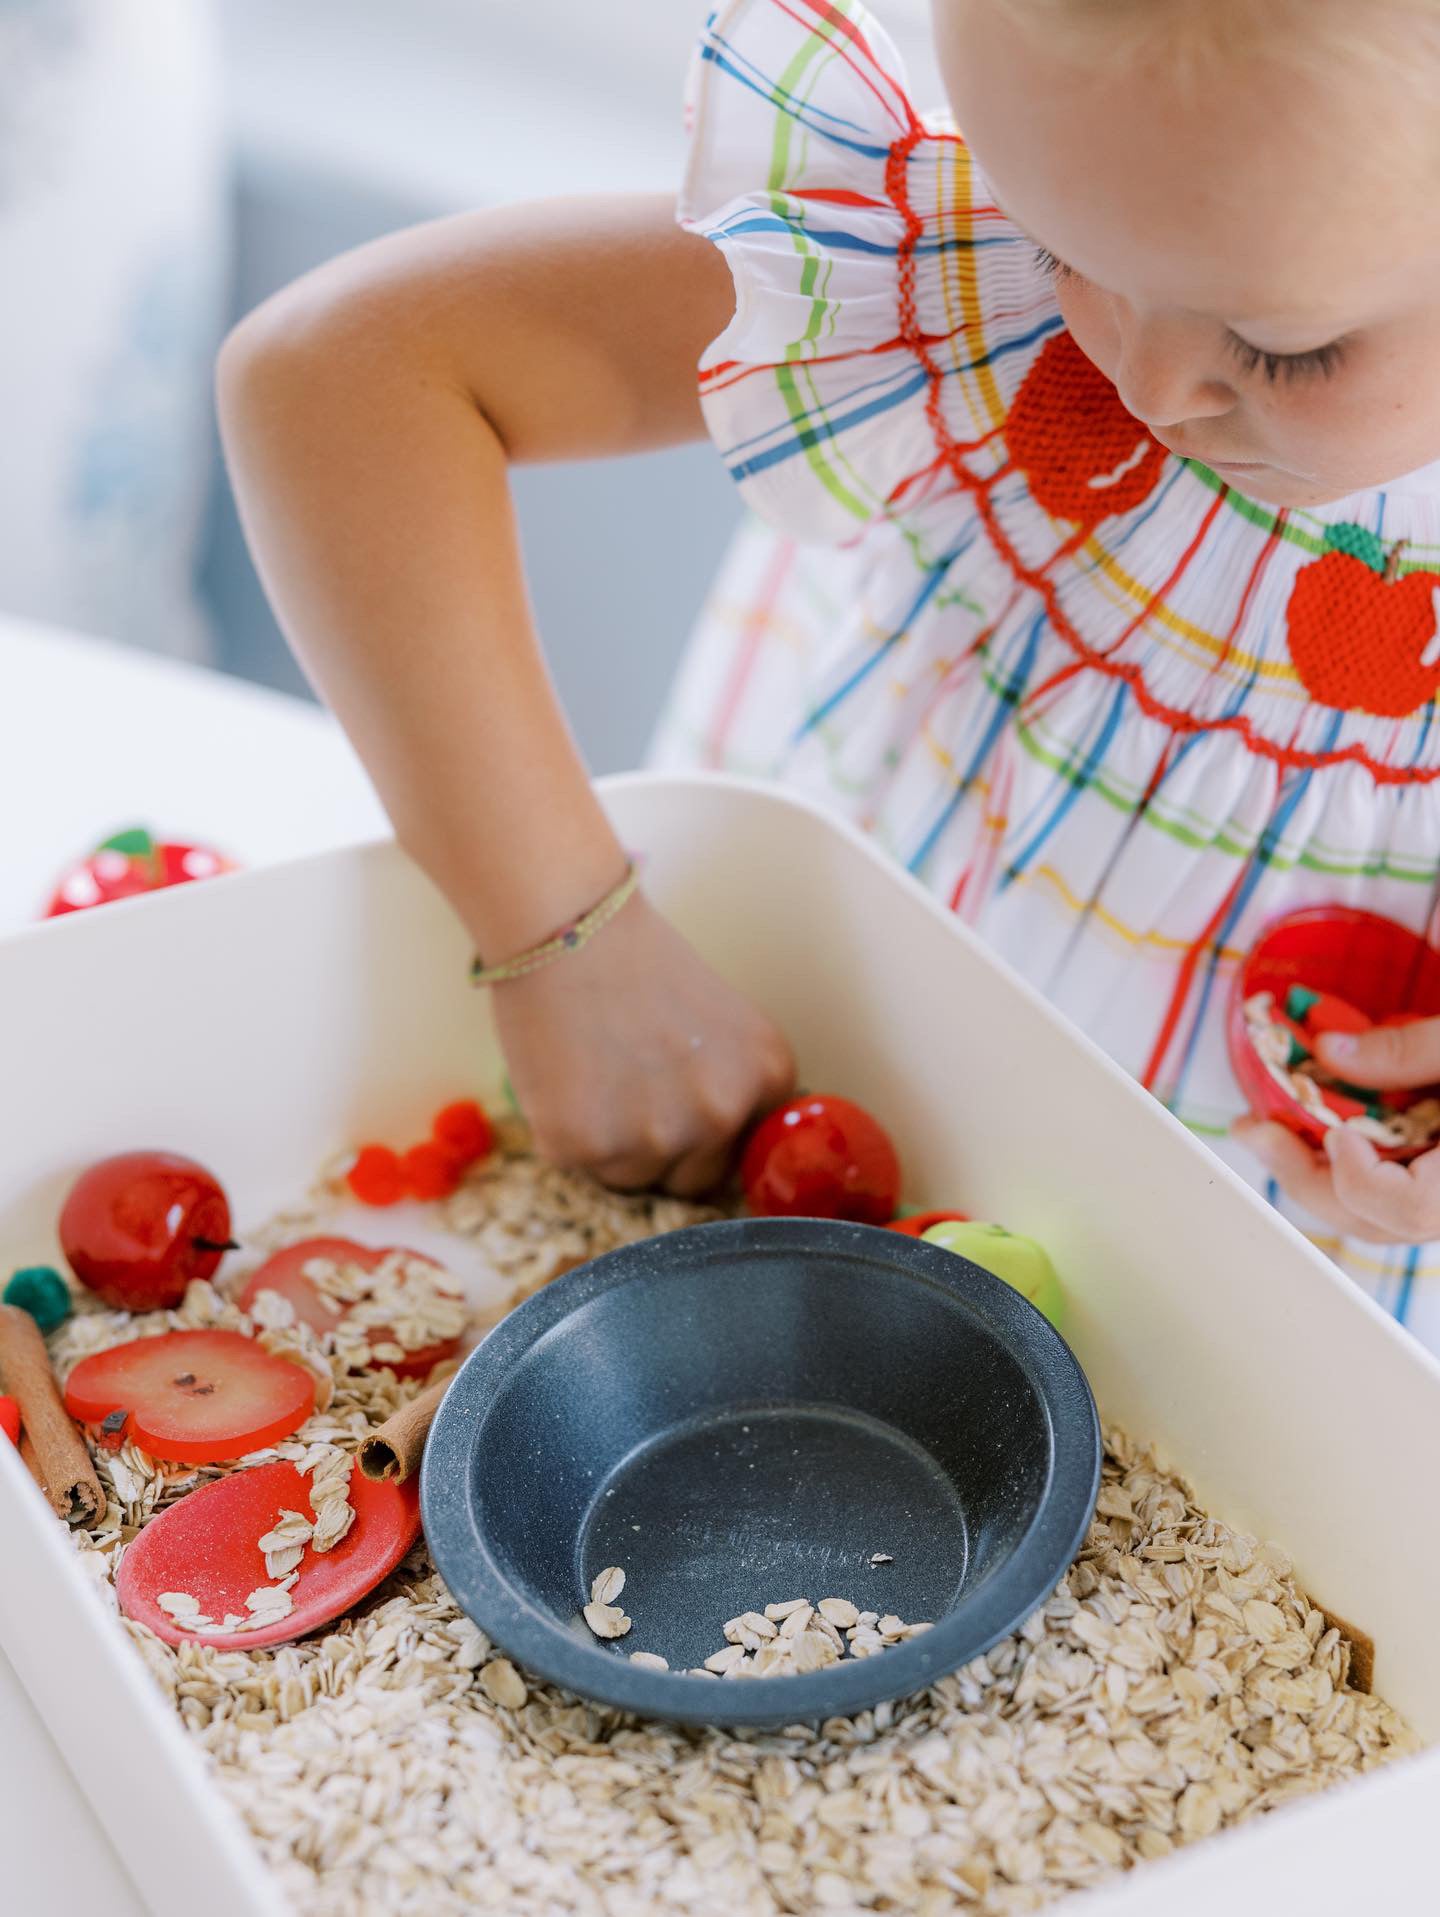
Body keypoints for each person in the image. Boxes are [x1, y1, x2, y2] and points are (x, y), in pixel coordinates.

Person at [217, 0, 1440, 1348]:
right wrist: (562, 938)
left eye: (1283, 347)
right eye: (1060, 241)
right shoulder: (973, 291)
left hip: (1251, 1354)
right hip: (756, 1125)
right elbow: (337, 377)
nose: (1138, 379)